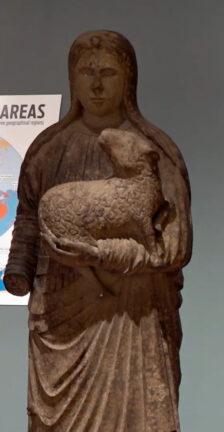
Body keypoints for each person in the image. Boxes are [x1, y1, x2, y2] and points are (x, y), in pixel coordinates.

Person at [4, 30, 192, 431]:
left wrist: (105, 255)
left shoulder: (155, 150)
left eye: (108, 72)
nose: (96, 83)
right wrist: (17, 268)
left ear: (128, 79)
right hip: (61, 315)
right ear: (71, 79)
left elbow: (174, 247)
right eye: (86, 72)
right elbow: (28, 218)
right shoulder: (47, 149)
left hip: (133, 315)